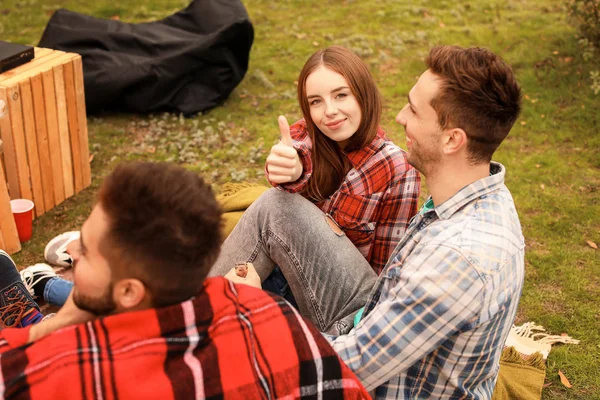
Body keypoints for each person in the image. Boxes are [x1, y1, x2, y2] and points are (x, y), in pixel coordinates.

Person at [223, 45, 525, 399]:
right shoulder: (485, 198)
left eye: (413, 110)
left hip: (371, 379)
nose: (399, 117)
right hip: (370, 326)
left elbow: (347, 368)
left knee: (232, 328)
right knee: (275, 206)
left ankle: (192, 327)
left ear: (452, 139)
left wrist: (256, 318)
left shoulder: (455, 260)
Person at [0, 161, 369, 399]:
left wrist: (57, 325)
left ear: (129, 292)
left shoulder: (57, 373)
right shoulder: (270, 312)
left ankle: (32, 320)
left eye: (86, 252)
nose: (73, 253)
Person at [209, 45, 421, 333]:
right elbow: (294, 161)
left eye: (341, 95)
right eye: (316, 102)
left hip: (350, 305)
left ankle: (196, 314)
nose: (329, 112)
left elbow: (388, 272)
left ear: (363, 94)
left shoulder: (396, 167)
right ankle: (204, 315)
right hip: (294, 277)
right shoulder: (304, 138)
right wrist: (292, 172)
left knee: (274, 204)